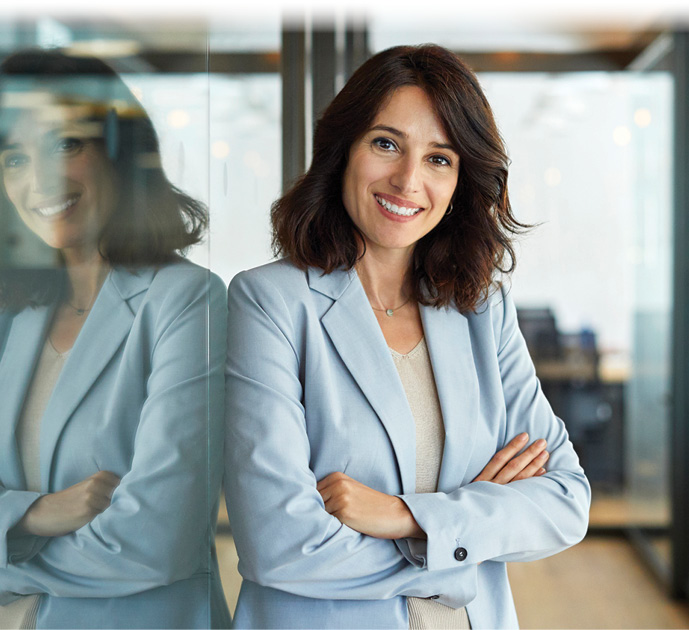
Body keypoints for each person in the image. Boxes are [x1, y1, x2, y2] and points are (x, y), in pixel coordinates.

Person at [225, 44, 590, 629]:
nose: (407, 180)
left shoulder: (481, 308)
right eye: (386, 143)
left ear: (461, 180)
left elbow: (566, 502)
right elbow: (278, 542)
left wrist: (403, 516)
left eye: (439, 159)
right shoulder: (269, 302)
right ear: (343, 148)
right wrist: (461, 547)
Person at [0, 50, 230, 629]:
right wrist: (37, 514)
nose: (39, 180)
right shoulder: (15, 315)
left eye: (64, 145)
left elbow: (158, 538)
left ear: (119, 151)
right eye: (14, 157)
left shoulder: (187, 300)